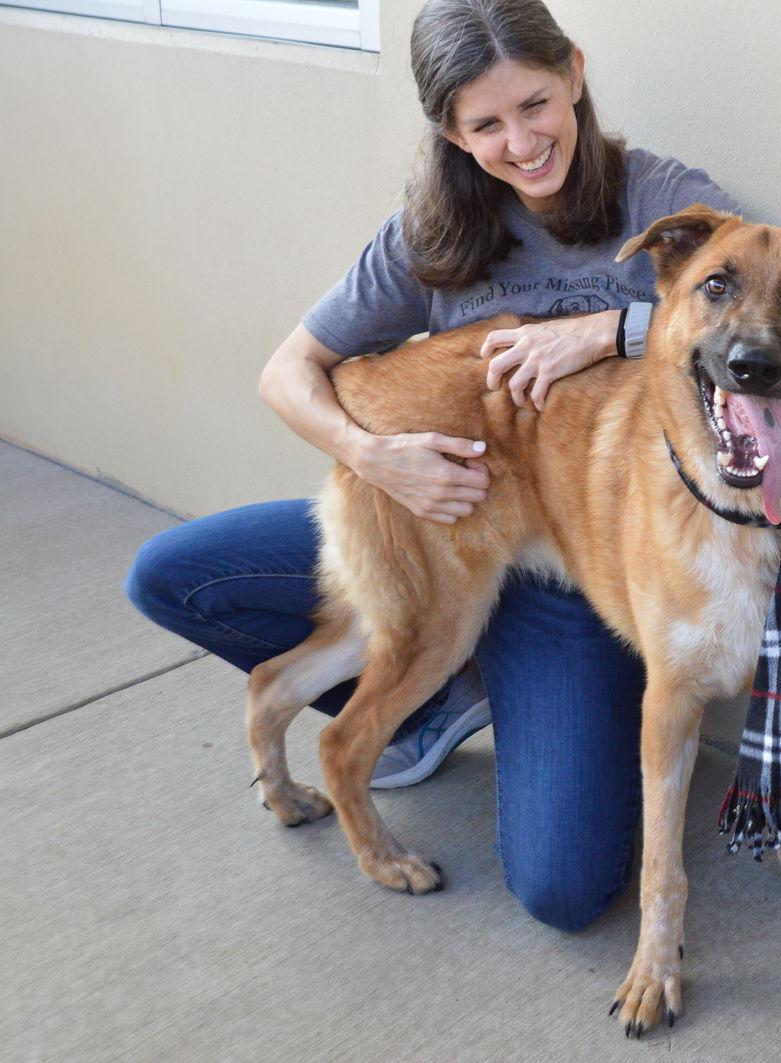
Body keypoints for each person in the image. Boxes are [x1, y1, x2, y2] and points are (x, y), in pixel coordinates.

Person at [124, 0, 739, 932]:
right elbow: (286, 374)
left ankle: (456, 675)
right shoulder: (431, 231)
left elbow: (758, 312)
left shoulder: (657, 197)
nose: (523, 142)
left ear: (574, 73)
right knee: (169, 574)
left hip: (586, 574)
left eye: (534, 103)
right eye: (486, 124)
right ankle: (415, 693)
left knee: (565, 888)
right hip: (445, 505)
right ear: (451, 132)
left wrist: (606, 327)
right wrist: (375, 457)